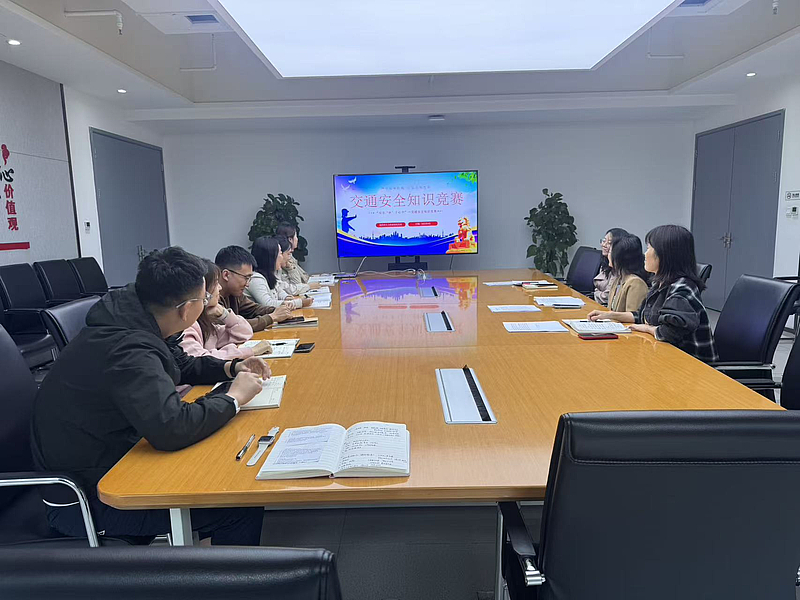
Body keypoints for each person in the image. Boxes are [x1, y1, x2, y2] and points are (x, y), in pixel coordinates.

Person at [31, 247, 270, 545]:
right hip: (88, 497)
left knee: (220, 465)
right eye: (205, 297)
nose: (209, 303)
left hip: (112, 458)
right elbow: (171, 428)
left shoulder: (137, 317)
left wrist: (231, 367)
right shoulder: (128, 348)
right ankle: (216, 574)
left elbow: (180, 365)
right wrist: (233, 399)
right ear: (186, 309)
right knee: (238, 505)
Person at [588, 225, 718, 362]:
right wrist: (609, 315)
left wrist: (646, 328)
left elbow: (669, 333)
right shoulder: (660, 283)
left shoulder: (682, 288)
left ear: (665, 255)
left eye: (649, 248)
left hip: (692, 365)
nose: (645, 254)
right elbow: (641, 315)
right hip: (666, 357)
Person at [181, 259, 272, 359]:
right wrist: (251, 351)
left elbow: (245, 333)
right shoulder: (187, 326)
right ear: (203, 291)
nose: (220, 287)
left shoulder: (207, 322)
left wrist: (225, 314)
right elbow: (202, 360)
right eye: (216, 283)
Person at [215, 245, 292, 330]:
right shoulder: (212, 299)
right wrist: (272, 317)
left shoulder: (234, 293)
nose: (247, 284)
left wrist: (278, 310)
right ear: (226, 275)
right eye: (246, 278)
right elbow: (233, 327)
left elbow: (254, 309)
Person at [246, 236, 312, 310]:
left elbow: (278, 290)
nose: (282, 257)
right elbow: (268, 304)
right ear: (270, 257)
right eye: (280, 253)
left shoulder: (269, 274)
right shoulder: (256, 279)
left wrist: (286, 297)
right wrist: (299, 303)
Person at [606, 234, 649, 313]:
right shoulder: (619, 278)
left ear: (619, 257)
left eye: (610, 252)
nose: (608, 255)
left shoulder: (636, 283)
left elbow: (633, 316)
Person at [594, 227, 629, 305]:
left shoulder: (621, 269)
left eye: (609, 243)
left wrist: (596, 294)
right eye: (604, 241)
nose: (604, 245)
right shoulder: (605, 262)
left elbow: (608, 296)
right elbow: (597, 288)